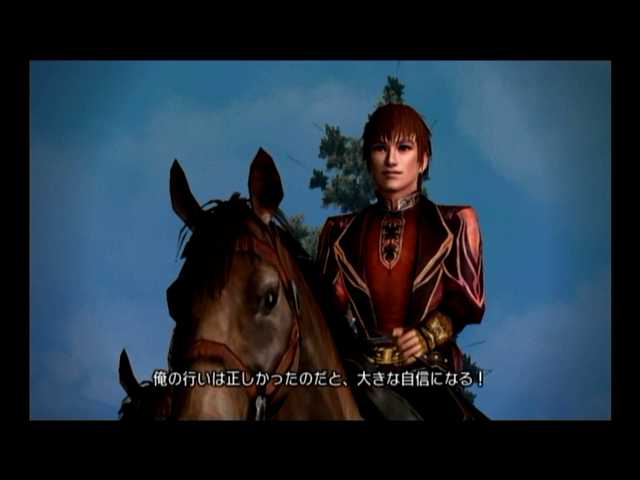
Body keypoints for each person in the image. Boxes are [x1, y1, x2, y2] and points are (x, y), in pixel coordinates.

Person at [316, 103, 487, 421]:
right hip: (360, 377)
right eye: (380, 148)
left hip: (430, 377)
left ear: (423, 160)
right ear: (368, 158)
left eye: (404, 148)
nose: (391, 160)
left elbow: (467, 303)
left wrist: (426, 336)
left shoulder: (456, 222)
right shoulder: (339, 232)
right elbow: (326, 309)